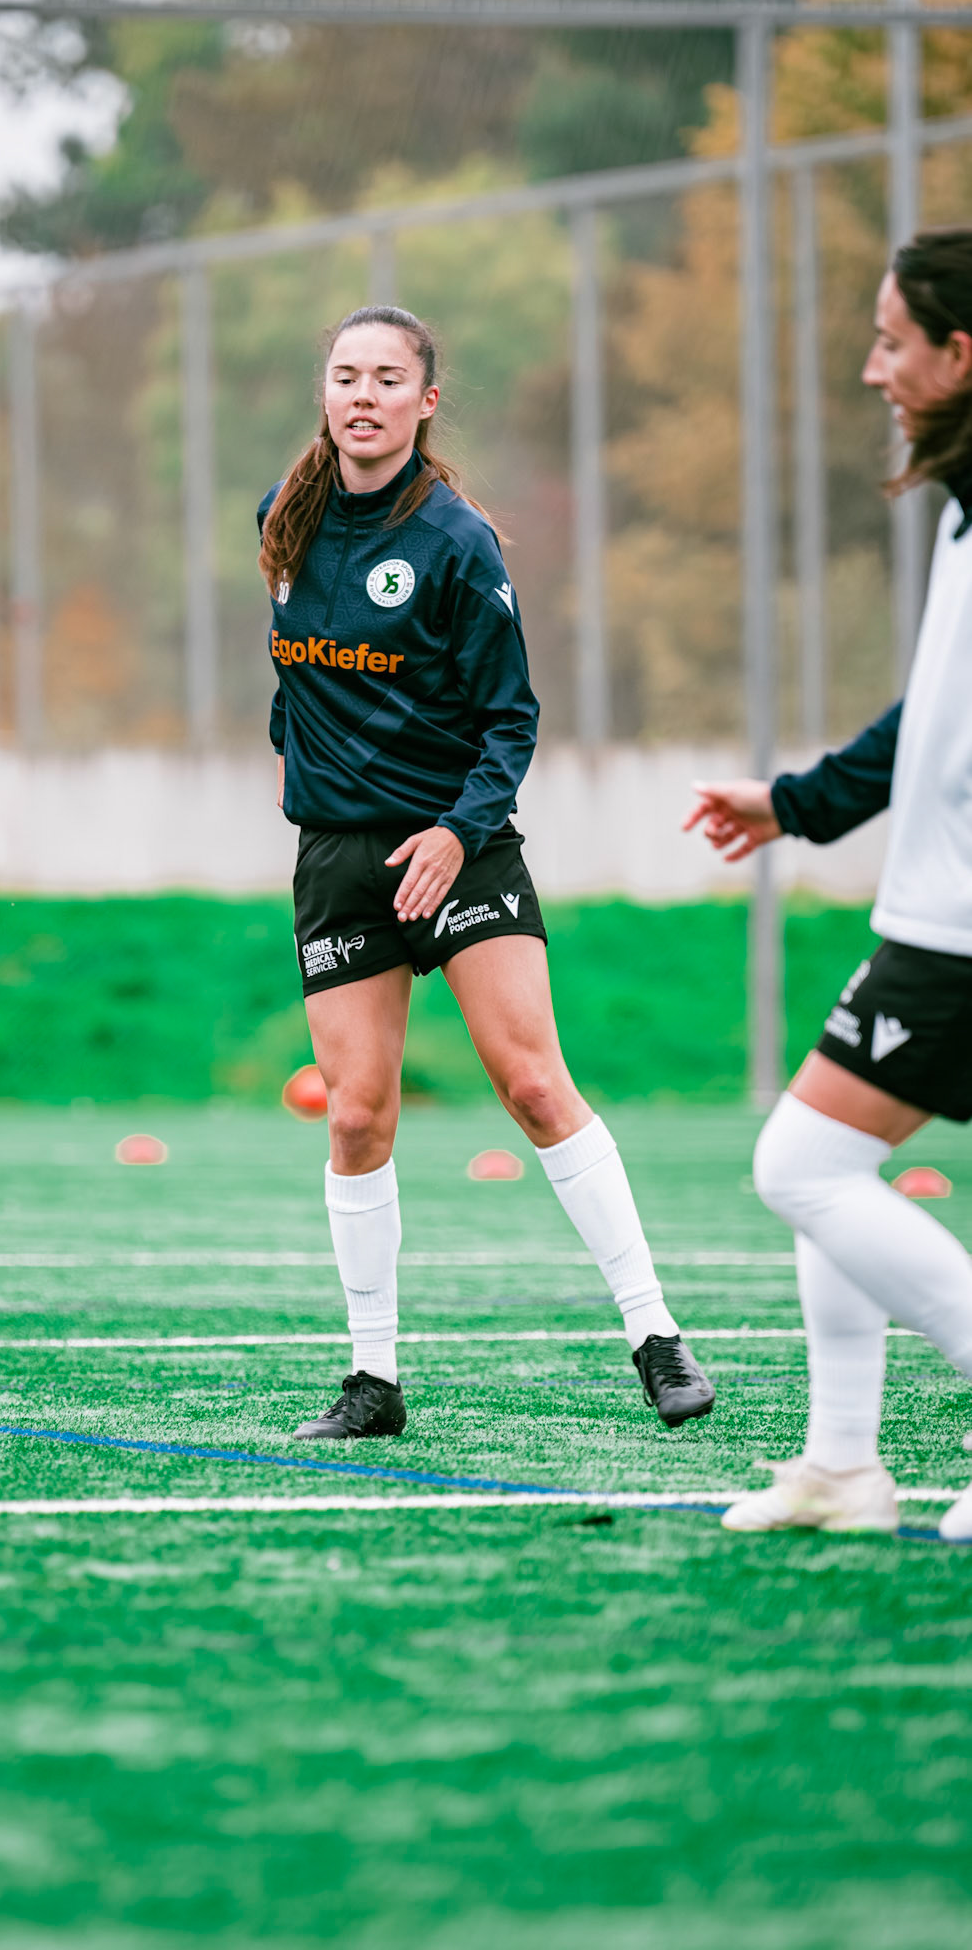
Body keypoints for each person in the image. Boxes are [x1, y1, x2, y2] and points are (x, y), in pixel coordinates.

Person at [261, 303, 715, 1441]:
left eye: (386, 378)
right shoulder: (282, 521)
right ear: (324, 393)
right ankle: (373, 1382)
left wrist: (459, 832)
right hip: (339, 858)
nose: (362, 395)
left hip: (459, 845)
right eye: (344, 375)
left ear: (425, 401)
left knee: (531, 1082)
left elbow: (512, 719)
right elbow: (298, 684)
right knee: (357, 1114)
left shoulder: (458, 541)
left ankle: (656, 1335)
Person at [685, 228, 972, 1542]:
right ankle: (843, 1465)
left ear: (960, 354)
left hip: (961, 923)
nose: (873, 369)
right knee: (828, 1156)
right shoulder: (963, 504)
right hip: (933, 909)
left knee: (801, 1163)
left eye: (891, 342)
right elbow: (937, 715)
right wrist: (798, 802)